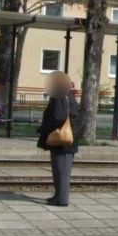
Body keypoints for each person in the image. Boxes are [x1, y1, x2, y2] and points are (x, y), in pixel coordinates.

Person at [37, 71, 81, 206]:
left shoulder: (60, 96)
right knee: (59, 170)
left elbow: (58, 116)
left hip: (62, 140)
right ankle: (58, 195)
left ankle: (62, 199)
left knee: (61, 171)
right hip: (67, 139)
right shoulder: (68, 95)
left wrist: (47, 128)